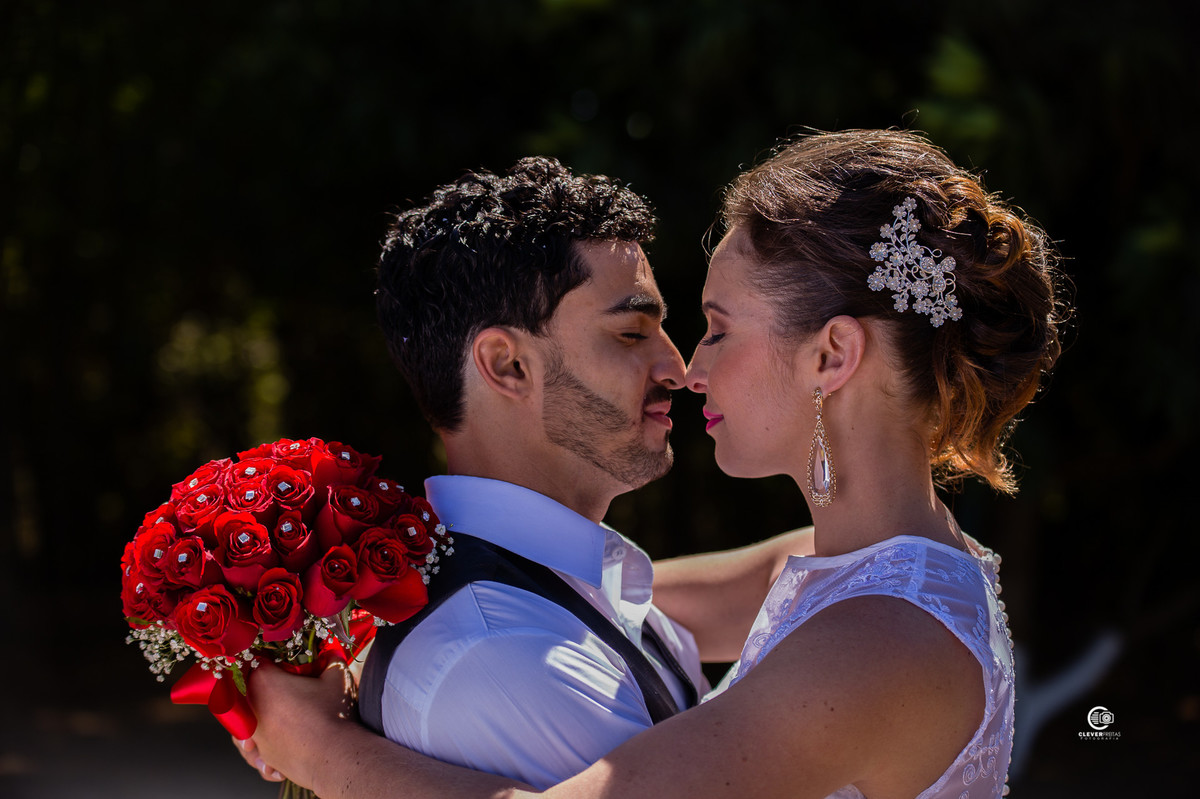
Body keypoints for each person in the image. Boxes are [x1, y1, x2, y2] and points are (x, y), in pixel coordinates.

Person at [239, 129, 1065, 799]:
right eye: (648, 331)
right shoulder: (882, 560)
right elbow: (622, 591)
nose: (688, 367)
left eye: (717, 327)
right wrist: (357, 604)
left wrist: (308, 740)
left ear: (834, 354)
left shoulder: (875, 641)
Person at [236, 155, 806, 789]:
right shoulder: (499, 659)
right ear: (507, 366)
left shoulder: (577, 584)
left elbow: (823, 568)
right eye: (630, 332)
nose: (677, 367)